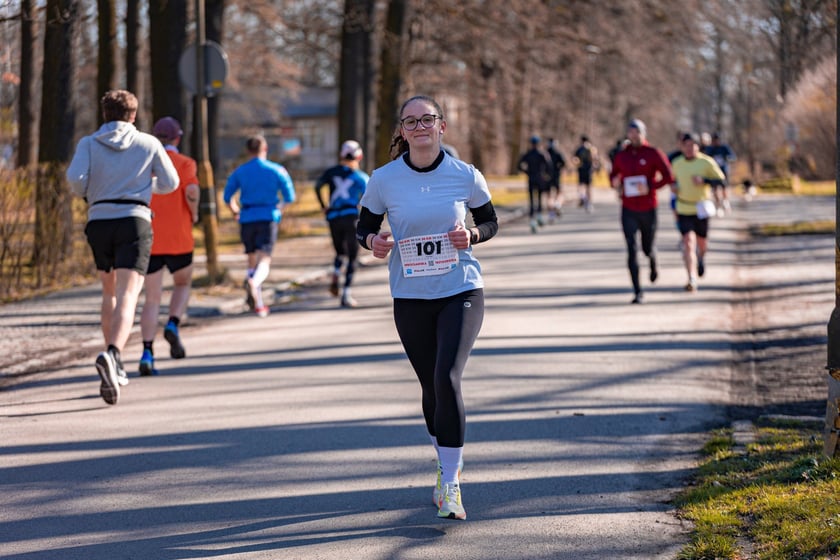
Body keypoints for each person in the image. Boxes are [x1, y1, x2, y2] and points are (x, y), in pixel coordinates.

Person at [355, 95, 499, 520]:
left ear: (442, 127)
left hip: (461, 289)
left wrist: (471, 236)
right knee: (429, 387)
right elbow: (364, 226)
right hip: (411, 295)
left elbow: (490, 222)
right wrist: (374, 243)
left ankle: (451, 484)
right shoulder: (384, 179)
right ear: (402, 130)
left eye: (428, 119)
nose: (420, 127)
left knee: (447, 375)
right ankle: (444, 464)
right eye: (411, 121)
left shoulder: (465, 175)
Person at [66, 89, 179, 405]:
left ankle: (113, 363)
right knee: (130, 293)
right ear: (133, 114)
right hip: (134, 219)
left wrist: (94, 191)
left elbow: (74, 179)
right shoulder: (148, 143)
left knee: (109, 292)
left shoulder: (88, 143)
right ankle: (114, 354)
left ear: (104, 114)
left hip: (99, 220)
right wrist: (144, 186)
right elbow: (170, 183)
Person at [137, 117, 200, 376]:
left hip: (150, 236)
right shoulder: (185, 163)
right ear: (177, 138)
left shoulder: (144, 163)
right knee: (183, 283)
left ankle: (147, 353)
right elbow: (192, 190)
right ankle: (173, 324)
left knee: (152, 298)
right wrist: (194, 214)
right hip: (179, 236)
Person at [223, 136, 296, 317]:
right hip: (268, 216)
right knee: (264, 259)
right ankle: (254, 284)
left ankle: (258, 302)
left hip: (247, 217)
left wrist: (235, 211)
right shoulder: (277, 170)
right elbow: (289, 196)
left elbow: (227, 196)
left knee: (251, 259)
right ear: (265, 149)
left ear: (248, 151)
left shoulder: (240, 171)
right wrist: (278, 209)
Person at [609, 119, 675, 304]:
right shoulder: (622, 155)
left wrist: (650, 186)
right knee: (631, 249)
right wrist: (615, 182)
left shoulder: (653, 153)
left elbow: (668, 176)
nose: (633, 135)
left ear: (643, 134)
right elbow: (613, 174)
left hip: (648, 207)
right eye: (630, 132)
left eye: (636, 132)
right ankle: (638, 291)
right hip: (628, 208)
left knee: (646, 247)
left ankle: (653, 259)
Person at [314, 139, 369, 308]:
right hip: (351, 216)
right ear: (359, 156)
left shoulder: (331, 172)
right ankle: (346, 293)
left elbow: (317, 186)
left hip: (333, 217)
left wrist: (324, 206)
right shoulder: (360, 176)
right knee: (353, 256)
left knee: (339, 252)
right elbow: (369, 198)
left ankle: (337, 271)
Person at [671, 132, 726, 292]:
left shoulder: (706, 162)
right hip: (683, 207)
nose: (688, 149)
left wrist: (705, 180)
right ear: (682, 147)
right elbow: (671, 180)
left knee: (702, 244)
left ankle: (701, 257)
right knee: (688, 243)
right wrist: (673, 186)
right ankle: (692, 278)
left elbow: (722, 180)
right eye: (685, 146)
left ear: (698, 147)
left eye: (692, 146)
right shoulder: (677, 163)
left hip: (701, 207)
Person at [517, 135, 551, 233]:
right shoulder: (542, 153)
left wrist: (526, 172)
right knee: (539, 197)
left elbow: (519, 165)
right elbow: (549, 165)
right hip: (540, 179)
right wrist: (546, 174)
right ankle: (539, 216)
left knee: (531, 199)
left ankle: (532, 221)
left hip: (531, 178)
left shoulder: (527, 154)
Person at [702, 132, 736, 216]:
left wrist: (727, 158)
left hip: (723, 171)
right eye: (714, 140)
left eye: (717, 140)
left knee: (724, 188)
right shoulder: (710, 148)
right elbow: (705, 157)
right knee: (715, 189)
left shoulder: (724, 147)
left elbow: (732, 156)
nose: (716, 142)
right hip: (713, 172)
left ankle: (725, 202)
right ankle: (718, 206)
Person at [573, 135, 598, 212]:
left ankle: (582, 197)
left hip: (581, 169)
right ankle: (589, 203)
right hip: (589, 169)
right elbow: (595, 158)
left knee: (581, 185)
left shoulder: (579, 149)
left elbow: (575, 159)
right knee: (589, 187)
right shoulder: (591, 148)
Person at [546, 138, 567, 221]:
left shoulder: (545, 153)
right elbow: (563, 163)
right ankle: (557, 204)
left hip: (547, 177)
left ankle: (551, 214)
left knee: (549, 196)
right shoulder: (557, 153)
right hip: (556, 176)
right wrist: (558, 169)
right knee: (559, 193)